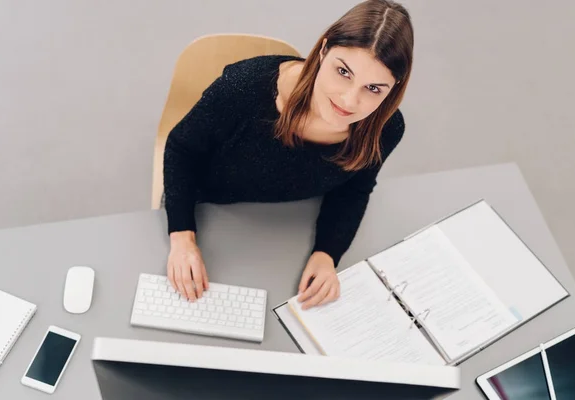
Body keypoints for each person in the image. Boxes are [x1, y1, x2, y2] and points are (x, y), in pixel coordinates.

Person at [163, 0, 414, 310]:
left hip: (288, 226)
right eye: (343, 71)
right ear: (322, 50)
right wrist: (182, 239)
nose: (349, 100)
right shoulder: (243, 88)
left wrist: (326, 254)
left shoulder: (385, 129)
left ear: (394, 88)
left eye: (374, 88)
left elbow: (354, 188)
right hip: (209, 209)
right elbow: (181, 149)